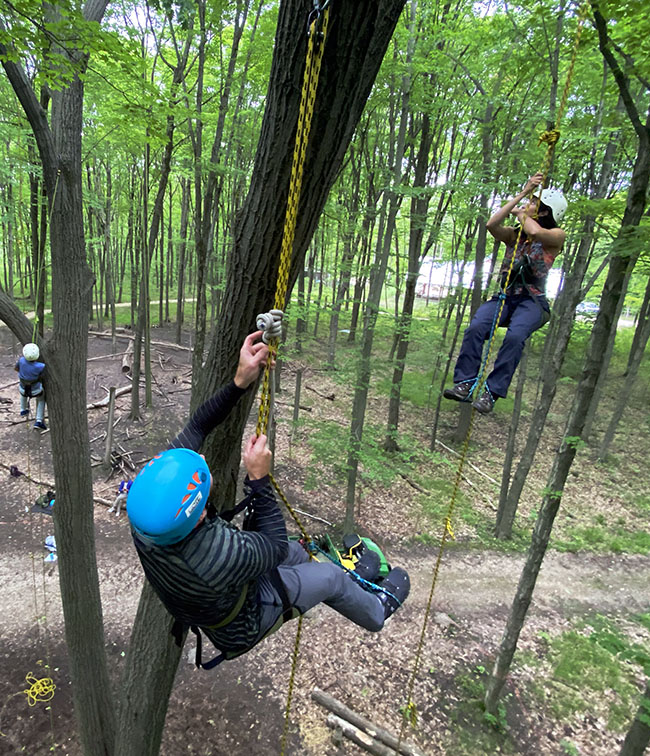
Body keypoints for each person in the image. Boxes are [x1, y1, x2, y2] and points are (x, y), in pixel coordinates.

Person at [127, 329, 410, 668]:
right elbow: (272, 547)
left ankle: (353, 585)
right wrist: (259, 480)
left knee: (300, 551)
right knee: (324, 575)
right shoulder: (216, 556)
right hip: (244, 621)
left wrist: (239, 381)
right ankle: (375, 609)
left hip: (225, 587)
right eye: (202, 479)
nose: (200, 460)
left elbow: (198, 426)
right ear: (199, 516)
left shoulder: (150, 508)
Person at [444, 173, 567, 414]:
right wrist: (523, 193)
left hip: (532, 302)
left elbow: (537, 234)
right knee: (476, 328)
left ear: (545, 212)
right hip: (506, 297)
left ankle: (491, 393)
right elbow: (492, 224)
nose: (526, 206)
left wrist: (522, 214)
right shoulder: (514, 235)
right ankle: (465, 384)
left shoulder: (556, 236)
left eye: (533, 203)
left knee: (515, 337)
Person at [16, 343, 47, 431]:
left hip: (23, 388)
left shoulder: (21, 361)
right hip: (36, 390)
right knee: (41, 400)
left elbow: (16, 369)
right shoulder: (41, 366)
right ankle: (39, 420)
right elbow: (43, 376)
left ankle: (23, 409)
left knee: (23, 395)